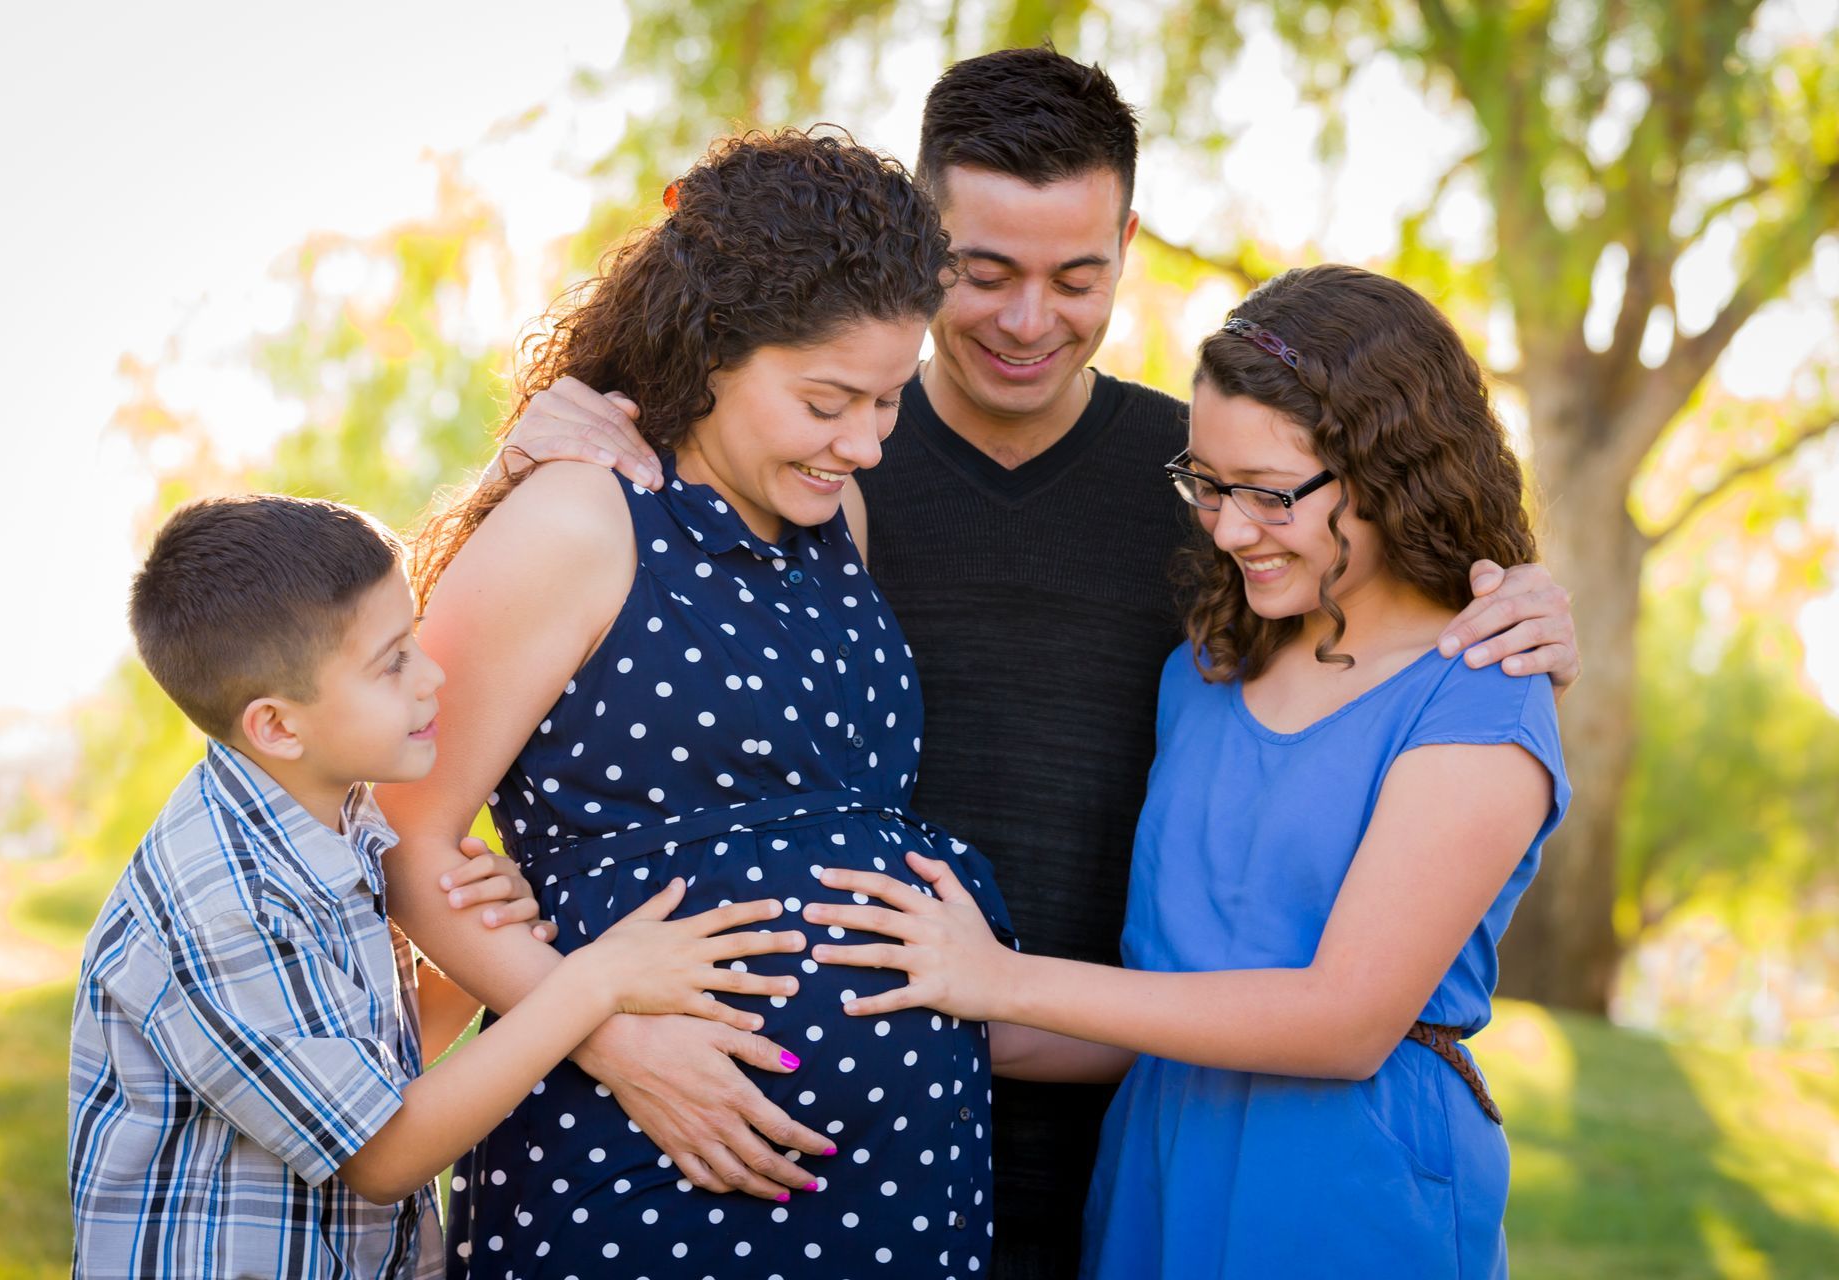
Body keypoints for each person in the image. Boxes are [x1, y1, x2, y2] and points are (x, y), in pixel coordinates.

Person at [487, 47, 1581, 1277]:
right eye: (983, 270)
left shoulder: (1213, 482)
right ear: (917, 248)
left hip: (1124, 1131)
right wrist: (542, 443)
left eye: (1075, 276)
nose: (1025, 319)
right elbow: (606, 620)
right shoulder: (819, 458)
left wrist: (1514, 593)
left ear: (1127, 242)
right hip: (831, 1138)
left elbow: (1380, 633)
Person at [805, 263, 1570, 1279]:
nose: (1227, 527)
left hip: (1344, 1188)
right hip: (1154, 1169)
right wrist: (899, 1001)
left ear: (1395, 473)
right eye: (1207, 484)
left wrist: (1002, 973)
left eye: (1267, 493)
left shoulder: (1482, 690)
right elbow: (1154, 1009)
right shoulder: (1204, 672)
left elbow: (1343, 1020)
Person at [377, 128, 1013, 1278]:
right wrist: (615, 1041)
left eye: (887, 399)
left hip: (896, 1171)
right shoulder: (581, 518)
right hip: (637, 1148)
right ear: (714, 348)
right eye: (830, 400)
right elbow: (403, 840)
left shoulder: (834, 524)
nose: (866, 442)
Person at [68, 494, 800, 1279]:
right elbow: (381, 1152)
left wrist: (468, 964)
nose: (433, 675)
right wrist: (591, 985)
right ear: (277, 726)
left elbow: (374, 1058)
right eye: (393, 663)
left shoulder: (329, 817)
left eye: (414, 636)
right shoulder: (220, 901)